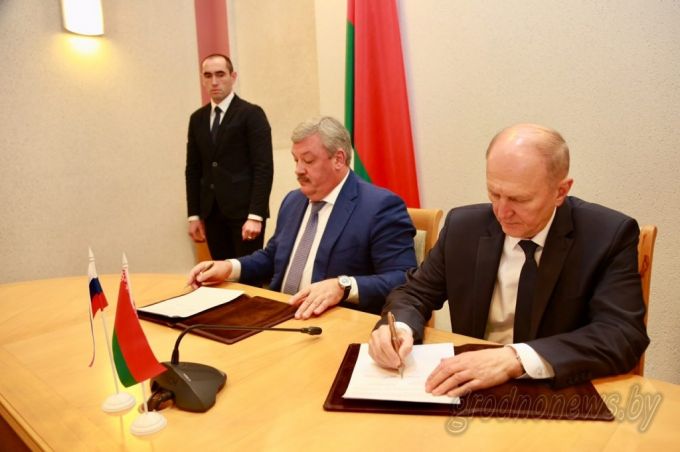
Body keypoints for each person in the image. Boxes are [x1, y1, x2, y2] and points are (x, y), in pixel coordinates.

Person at [369, 123, 649, 396]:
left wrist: (516, 358)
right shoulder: (463, 227)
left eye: (519, 199)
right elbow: (414, 293)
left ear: (560, 191)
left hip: (558, 391)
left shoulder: (607, 235)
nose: (502, 212)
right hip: (471, 389)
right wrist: (399, 328)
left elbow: (622, 335)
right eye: (494, 193)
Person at [188, 116, 417, 318]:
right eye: (295, 160)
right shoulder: (293, 201)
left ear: (338, 159)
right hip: (276, 314)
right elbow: (272, 257)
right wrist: (229, 267)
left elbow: (403, 279)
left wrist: (343, 286)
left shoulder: (379, 207)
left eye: (308, 161)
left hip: (331, 325)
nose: (298, 170)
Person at [185, 54, 273, 260]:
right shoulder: (197, 119)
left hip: (245, 214)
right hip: (212, 213)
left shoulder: (251, 114)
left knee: (248, 274)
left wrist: (256, 215)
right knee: (220, 274)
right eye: (208, 75)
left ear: (233, 77)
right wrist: (194, 215)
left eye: (220, 74)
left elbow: (263, 167)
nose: (214, 81)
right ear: (202, 79)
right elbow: (193, 170)